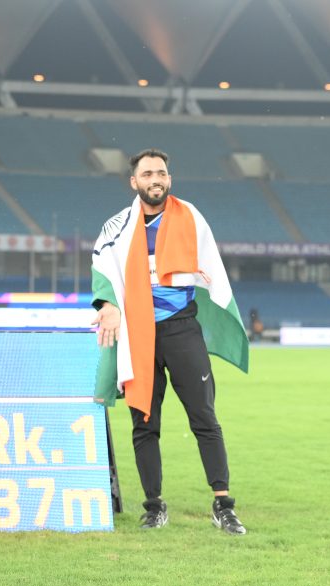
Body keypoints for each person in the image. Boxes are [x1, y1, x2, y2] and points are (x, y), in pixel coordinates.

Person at [90, 148, 250, 534]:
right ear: (135, 182)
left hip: (181, 328)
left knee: (205, 418)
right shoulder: (117, 226)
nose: (155, 180)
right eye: (147, 174)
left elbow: (211, 265)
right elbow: (101, 266)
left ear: (169, 179)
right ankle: (153, 506)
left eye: (161, 173)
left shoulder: (190, 217)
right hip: (138, 334)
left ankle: (223, 504)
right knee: (144, 422)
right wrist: (108, 303)